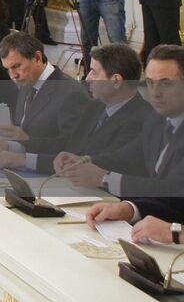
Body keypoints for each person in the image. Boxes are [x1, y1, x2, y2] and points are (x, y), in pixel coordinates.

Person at [0, 44, 150, 175]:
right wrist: (13, 148)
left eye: (94, 72)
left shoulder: (140, 119)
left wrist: (23, 160)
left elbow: (90, 163)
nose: (88, 78)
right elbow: (66, 146)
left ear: (116, 81)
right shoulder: (96, 106)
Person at [51, 44, 184, 199]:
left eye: (165, 83)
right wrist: (83, 161)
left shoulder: (144, 115)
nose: (155, 93)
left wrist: (104, 179)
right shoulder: (157, 119)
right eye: (150, 83)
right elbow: (127, 157)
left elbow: (174, 189)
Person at [0, 31, 91, 160]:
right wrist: (5, 146)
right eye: (8, 69)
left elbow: (73, 148)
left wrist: (27, 141)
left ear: (37, 58)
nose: (13, 75)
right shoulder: (26, 85)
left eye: (17, 66)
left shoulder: (71, 93)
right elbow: (21, 132)